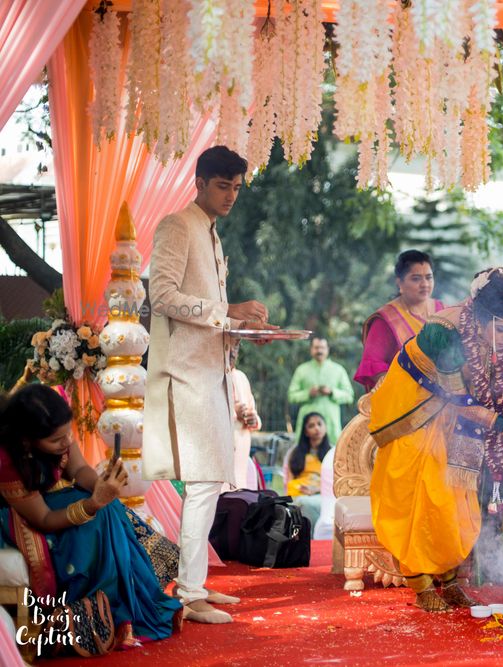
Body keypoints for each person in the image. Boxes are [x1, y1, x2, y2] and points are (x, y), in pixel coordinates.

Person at [144, 145, 274, 624]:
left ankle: (197, 586)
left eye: (237, 187)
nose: (232, 196)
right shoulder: (177, 225)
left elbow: (211, 317)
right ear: (199, 183)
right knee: (200, 485)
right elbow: (161, 296)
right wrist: (229, 311)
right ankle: (188, 593)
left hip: (213, 373)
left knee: (212, 483)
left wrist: (243, 334)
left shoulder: (213, 235)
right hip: (187, 374)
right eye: (224, 186)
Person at [368, 269, 503, 612]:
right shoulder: (445, 332)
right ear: (479, 321)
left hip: (462, 415)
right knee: (424, 495)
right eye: (501, 330)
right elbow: (462, 402)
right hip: (415, 409)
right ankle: (421, 584)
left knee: (459, 496)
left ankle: (449, 581)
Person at [0, 385, 182, 656]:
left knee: (108, 509)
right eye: (56, 440)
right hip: (24, 518)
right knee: (100, 514)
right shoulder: (7, 461)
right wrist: (94, 503)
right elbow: (45, 519)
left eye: (67, 435)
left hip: (52, 503)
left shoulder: (59, 435)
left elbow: (80, 469)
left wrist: (102, 486)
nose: (66, 443)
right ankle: (104, 615)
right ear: (27, 441)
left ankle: (126, 613)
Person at [355, 250, 446, 392]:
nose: (425, 284)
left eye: (429, 277)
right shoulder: (387, 319)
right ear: (399, 283)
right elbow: (372, 363)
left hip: (445, 396)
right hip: (406, 400)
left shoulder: (441, 309)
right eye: (416, 279)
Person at [287, 337, 354, 443]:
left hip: (331, 423)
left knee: (332, 456)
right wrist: (308, 393)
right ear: (311, 349)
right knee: (304, 455)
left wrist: (332, 392)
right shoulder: (302, 370)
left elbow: (349, 395)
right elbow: (291, 395)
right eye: (316, 347)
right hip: (308, 424)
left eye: (322, 347)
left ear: (327, 349)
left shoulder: (338, 370)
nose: (319, 351)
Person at [285, 412, 330, 531]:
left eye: (320, 424)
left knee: (305, 503)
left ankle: (313, 540)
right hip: (299, 492)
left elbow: (337, 483)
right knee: (300, 502)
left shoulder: (332, 453)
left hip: (322, 494)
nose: (317, 428)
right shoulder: (294, 453)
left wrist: (315, 490)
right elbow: (290, 482)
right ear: (305, 432)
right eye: (311, 425)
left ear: (325, 427)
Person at [231, 367, 261, 490]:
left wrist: (253, 420)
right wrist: (233, 413)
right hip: (220, 446)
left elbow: (251, 409)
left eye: (236, 347)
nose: (233, 351)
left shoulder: (241, 377)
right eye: (228, 347)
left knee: (239, 489)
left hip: (242, 444)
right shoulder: (210, 374)